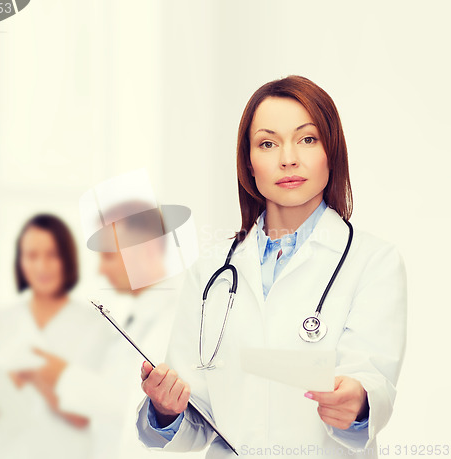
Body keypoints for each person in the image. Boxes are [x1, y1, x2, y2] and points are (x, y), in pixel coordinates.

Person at [136, 75, 407, 458]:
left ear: (332, 150)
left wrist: (358, 403)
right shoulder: (212, 270)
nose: (288, 158)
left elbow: (372, 383)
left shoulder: (374, 262)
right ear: (249, 163)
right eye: (267, 143)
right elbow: (198, 418)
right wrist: (167, 409)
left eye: (307, 139)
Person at [25, 205, 206, 458]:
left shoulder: (179, 317)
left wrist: (63, 377)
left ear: (147, 250)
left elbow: (142, 407)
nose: (101, 270)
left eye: (109, 256)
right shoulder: (135, 318)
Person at [0, 214, 116, 459]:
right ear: (20, 261)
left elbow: (87, 415)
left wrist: (35, 375)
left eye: (52, 255)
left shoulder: (95, 326)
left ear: (67, 259)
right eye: (32, 255)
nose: (41, 266)